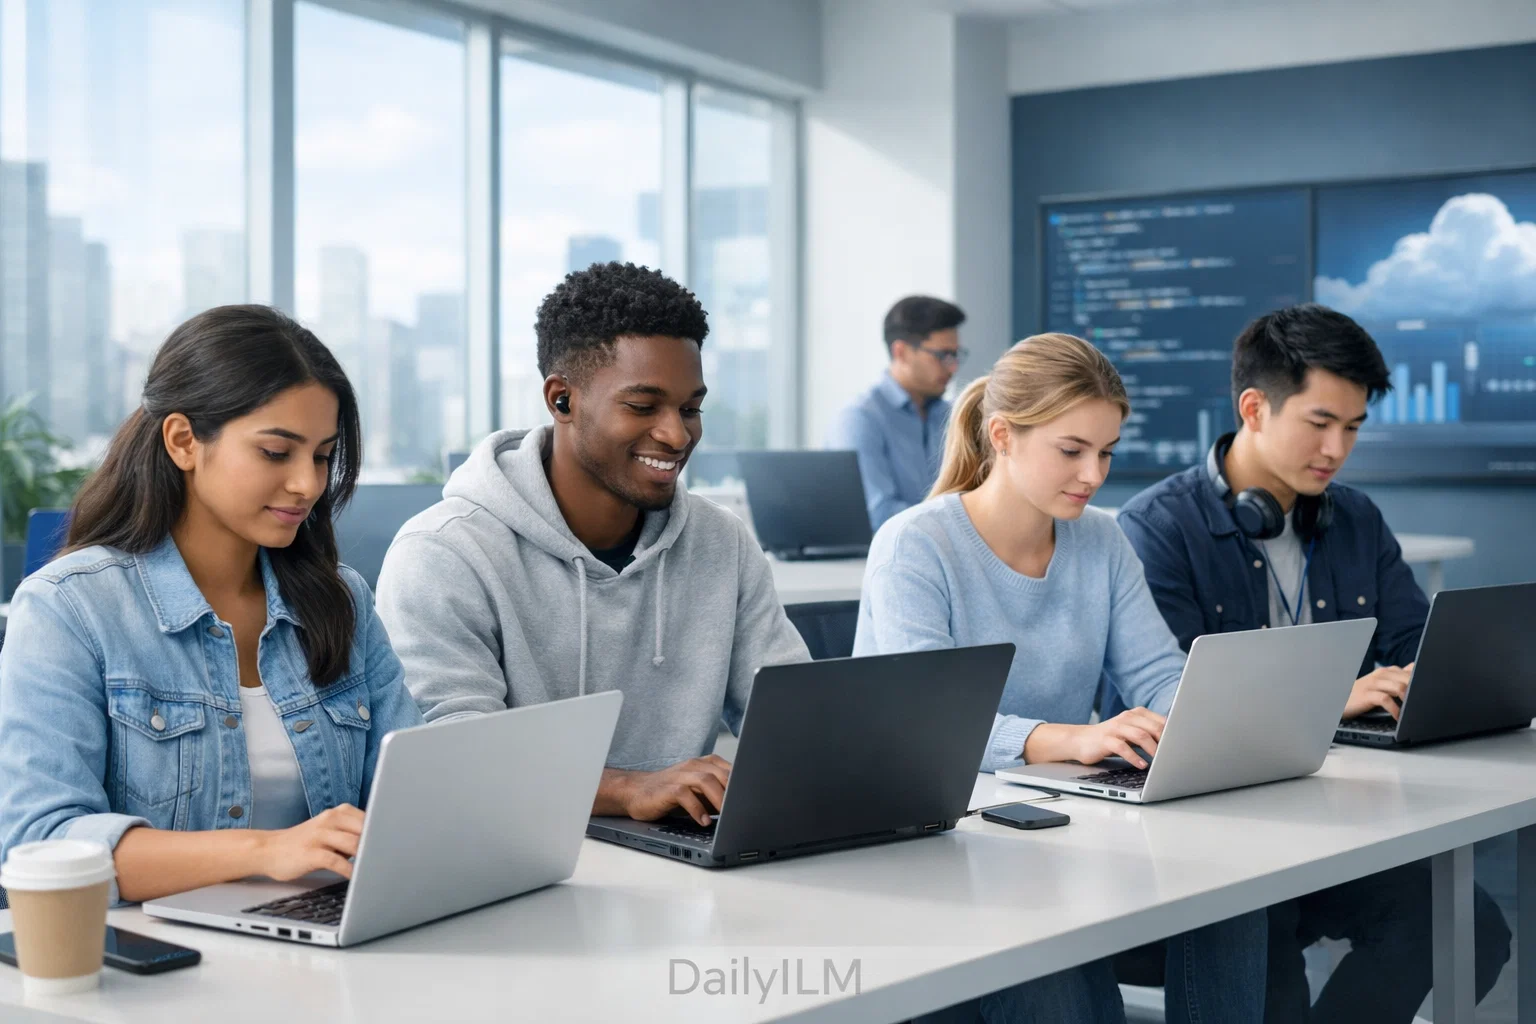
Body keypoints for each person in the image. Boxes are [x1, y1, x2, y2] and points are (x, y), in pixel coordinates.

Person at [855, 333, 1266, 1024]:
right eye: (1072, 450)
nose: (1093, 474)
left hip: (1058, 822)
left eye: (1106, 452)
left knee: (1234, 896)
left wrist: (1199, 723)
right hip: (938, 834)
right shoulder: (916, 544)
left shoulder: (1101, 538)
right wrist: (1069, 739)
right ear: (1003, 436)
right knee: (1058, 988)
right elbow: (927, 728)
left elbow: (1157, 673)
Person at [1117, 303, 1510, 1023]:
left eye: (1352, 428)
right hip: (1213, 840)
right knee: (1265, 983)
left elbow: (1414, 646)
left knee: (1469, 927)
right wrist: (1335, 699)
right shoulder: (1159, 528)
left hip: (1332, 818)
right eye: (1320, 422)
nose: (1336, 449)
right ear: (1254, 408)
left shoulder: (1351, 517)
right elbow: (1176, 709)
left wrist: (1437, 678)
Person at [0, 305, 424, 906]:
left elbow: (413, 800)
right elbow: (41, 841)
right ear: (183, 441)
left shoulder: (342, 598)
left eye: (322, 456)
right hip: (155, 950)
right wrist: (265, 851)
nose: (308, 484)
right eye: (276, 452)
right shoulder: (70, 607)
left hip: (330, 930)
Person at [376, 262, 808, 828]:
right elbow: (454, 757)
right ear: (562, 400)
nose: (677, 435)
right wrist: (628, 790)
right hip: (509, 853)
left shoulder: (720, 542)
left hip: (680, 859)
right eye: (643, 407)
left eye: (690, 408)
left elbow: (793, 722)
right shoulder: (442, 553)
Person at [828, 295, 966, 529]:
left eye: (955, 355)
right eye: (942, 356)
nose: (952, 367)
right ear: (901, 352)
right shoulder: (860, 419)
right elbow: (879, 514)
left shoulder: (951, 414)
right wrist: (966, 523)